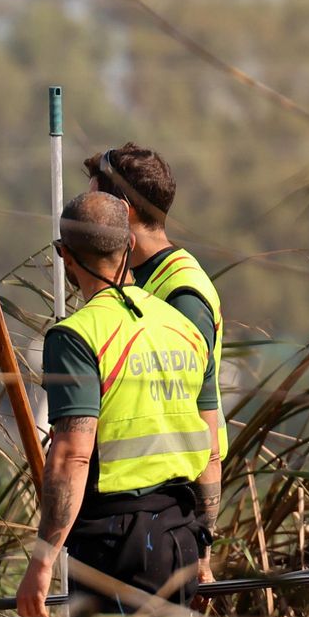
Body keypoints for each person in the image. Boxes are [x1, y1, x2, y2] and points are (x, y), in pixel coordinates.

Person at [16, 192, 220, 617]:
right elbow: (210, 447)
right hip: (180, 535)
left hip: (117, 544)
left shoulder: (76, 336)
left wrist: (43, 561)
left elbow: (72, 454)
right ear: (129, 245)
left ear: (65, 254)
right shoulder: (183, 327)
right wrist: (204, 546)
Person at [84, 143, 226, 580]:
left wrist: (203, 547)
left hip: (164, 514)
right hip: (121, 509)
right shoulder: (130, 276)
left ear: (123, 211)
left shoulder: (182, 293)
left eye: (95, 205)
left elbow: (200, 418)